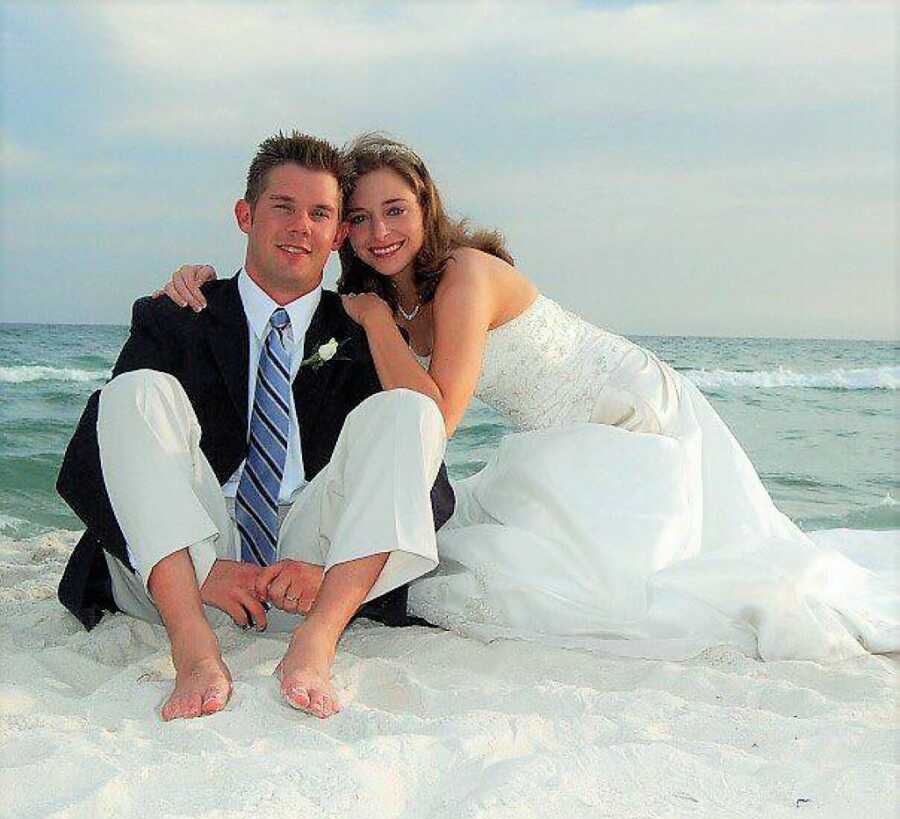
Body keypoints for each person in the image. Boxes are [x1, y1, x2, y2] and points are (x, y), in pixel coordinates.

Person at [160, 134, 899, 662]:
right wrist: (202, 282)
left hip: (625, 411)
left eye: (395, 210)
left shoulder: (465, 276)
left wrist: (380, 323)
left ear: (426, 206)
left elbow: (437, 418)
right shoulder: (379, 294)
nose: (378, 231)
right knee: (476, 559)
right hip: (551, 440)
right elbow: (278, 306)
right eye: (358, 218)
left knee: (623, 592)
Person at [56, 131, 455, 722]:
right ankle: (192, 649)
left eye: (320, 213)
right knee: (134, 392)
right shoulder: (178, 313)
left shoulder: (361, 333)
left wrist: (324, 572)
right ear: (245, 215)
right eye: (282, 207)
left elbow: (424, 478)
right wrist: (202, 570)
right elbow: (95, 461)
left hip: (308, 563)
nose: (301, 226)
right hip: (185, 557)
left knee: (412, 411)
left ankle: (316, 642)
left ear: (338, 233)